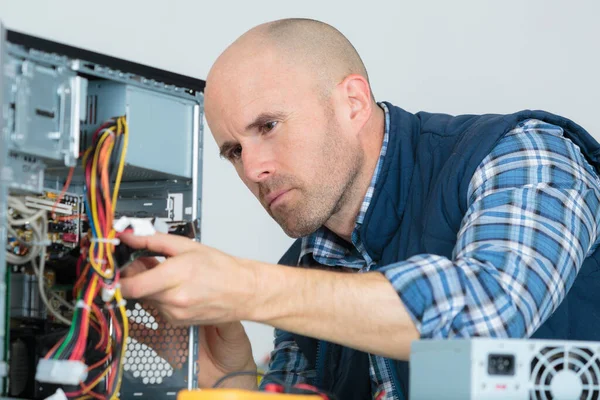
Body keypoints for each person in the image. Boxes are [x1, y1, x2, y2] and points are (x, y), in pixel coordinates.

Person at [119, 18, 600, 399]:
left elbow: (483, 314)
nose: (254, 169)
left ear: (353, 102)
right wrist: (238, 381)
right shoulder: (304, 271)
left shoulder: (523, 156)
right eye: (234, 152)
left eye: (268, 126)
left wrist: (247, 288)